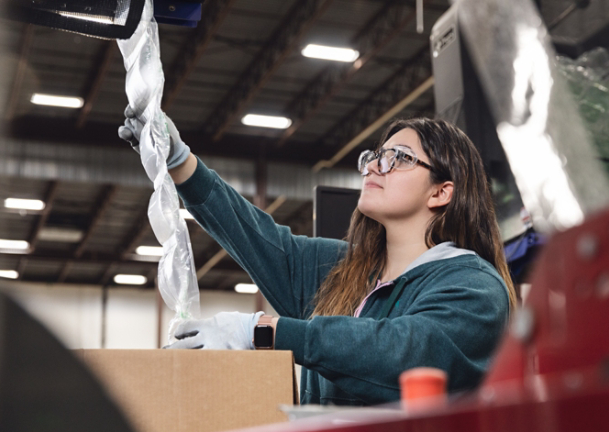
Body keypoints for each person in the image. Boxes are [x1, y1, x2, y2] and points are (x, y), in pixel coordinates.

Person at [119, 110, 517, 406]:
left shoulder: (475, 287)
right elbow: (258, 238)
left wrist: (262, 331)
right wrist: (180, 162)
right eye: (377, 154)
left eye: (399, 157)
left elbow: (402, 352)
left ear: (441, 192)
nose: (375, 165)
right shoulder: (346, 272)